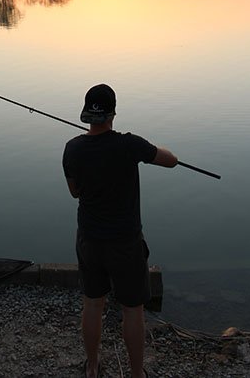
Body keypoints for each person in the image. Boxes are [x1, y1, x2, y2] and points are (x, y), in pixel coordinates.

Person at [62, 84, 178, 378]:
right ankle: (137, 374)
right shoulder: (130, 145)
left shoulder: (72, 148)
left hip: (89, 239)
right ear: (113, 112)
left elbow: (74, 192)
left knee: (93, 304)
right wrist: (147, 151)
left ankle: (92, 367)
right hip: (125, 242)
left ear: (87, 114)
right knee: (132, 309)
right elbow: (171, 160)